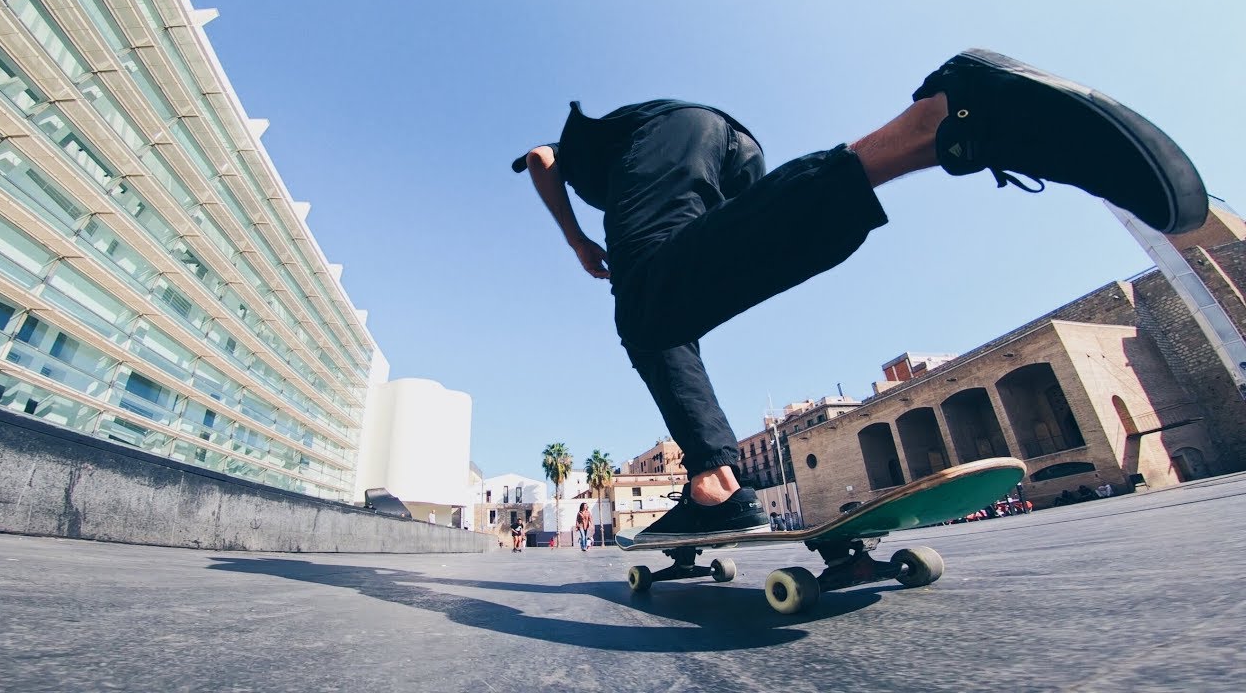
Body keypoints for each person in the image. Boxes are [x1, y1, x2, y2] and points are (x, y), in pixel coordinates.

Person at [515, 49, 1206, 544]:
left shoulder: (597, 156)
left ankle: (936, 120)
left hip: (665, 142)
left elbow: (542, 161)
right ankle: (714, 481)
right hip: (738, 149)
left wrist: (577, 240)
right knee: (673, 311)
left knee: (642, 304)